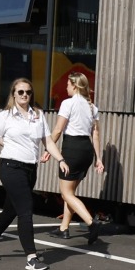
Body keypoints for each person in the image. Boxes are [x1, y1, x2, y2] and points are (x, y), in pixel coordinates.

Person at [0, 78, 68, 270]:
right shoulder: (4, 117)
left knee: (11, 210)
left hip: (30, 169)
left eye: (28, 92)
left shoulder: (38, 115)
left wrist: (61, 159)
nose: (24, 95)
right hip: (10, 167)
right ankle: (32, 257)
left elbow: (48, 141)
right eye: (20, 92)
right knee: (25, 210)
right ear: (13, 94)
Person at [47, 72, 105, 244]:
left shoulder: (68, 103)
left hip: (72, 148)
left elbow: (58, 129)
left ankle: (91, 222)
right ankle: (63, 228)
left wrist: (49, 147)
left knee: (66, 194)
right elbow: (95, 135)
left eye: (67, 84)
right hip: (86, 150)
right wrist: (98, 158)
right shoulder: (92, 107)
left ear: (74, 85)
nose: (66, 87)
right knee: (70, 193)